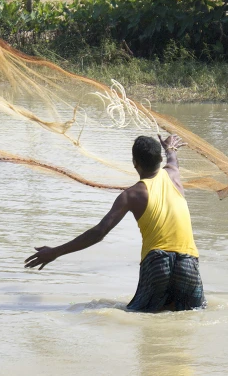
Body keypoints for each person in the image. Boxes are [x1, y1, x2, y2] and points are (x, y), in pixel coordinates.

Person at [24, 134, 206, 312]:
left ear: (135, 163)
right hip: (188, 263)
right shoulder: (173, 176)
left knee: (142, 317)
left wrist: (56, 252)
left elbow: (99, 232)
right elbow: (173, 159)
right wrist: (169, 149)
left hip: (157, 264)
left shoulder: (130, 195)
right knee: (191, 315)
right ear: (159, 159)